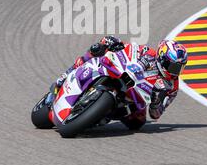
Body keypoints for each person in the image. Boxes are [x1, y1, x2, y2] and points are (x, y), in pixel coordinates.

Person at [45, 36, 188, 129]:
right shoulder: (147, 52)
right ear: (162, 58)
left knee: (138, 123)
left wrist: (157, 100)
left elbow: (155, 115)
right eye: (173, 67)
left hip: (135, 97)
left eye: (180, 68)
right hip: (121, 73)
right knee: (98, 47)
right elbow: (129, 48)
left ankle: (101, 114)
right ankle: (66, 75)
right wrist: (114, 44)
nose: (175, 71)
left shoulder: (172, 87)